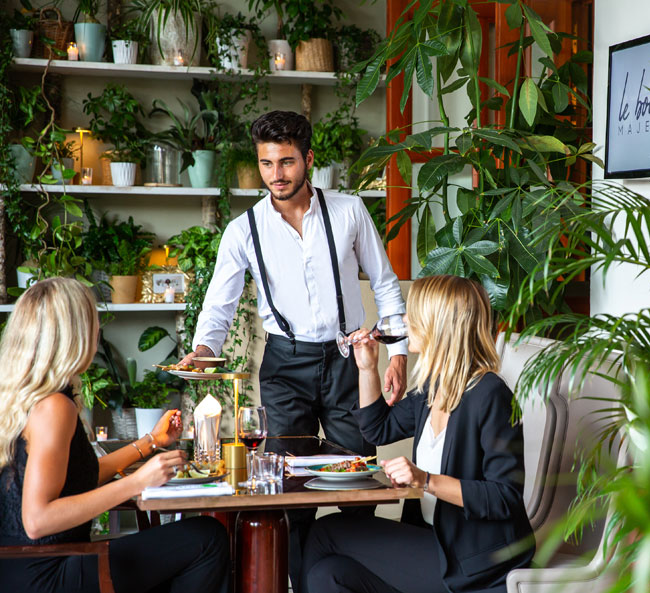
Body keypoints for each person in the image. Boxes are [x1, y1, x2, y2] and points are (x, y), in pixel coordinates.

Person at [178, 110, 409, 583]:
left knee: (357, 481)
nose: (275, 175)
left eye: (285, 162)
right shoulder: (244, 230)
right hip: (284, 366)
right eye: (266, 164)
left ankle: (347, 580)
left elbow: (385, 285)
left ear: (307, 159)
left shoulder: (349, 211)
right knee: (289, 491)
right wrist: (204, 348)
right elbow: (217, 306)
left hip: (349, 361)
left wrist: (398, 351)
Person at [302, 275, 535, 593]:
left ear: (438, 325)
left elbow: (504, 498)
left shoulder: (490, 394)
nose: (406, 321)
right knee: (328, 575)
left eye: (414, 314)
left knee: (324, 533)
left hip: (477, 561)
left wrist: (425, 480)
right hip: (432, 540)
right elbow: (377, 428)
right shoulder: (432, 388)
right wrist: (368, 368)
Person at [0, 277, 229, 593]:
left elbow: (80, 477)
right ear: (74, 334)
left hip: (22, 569)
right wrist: (137, 483)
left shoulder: (29, 397)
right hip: (48, 573)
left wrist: (150, 442)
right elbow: (37, 520)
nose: (97, 331)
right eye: (92, 321)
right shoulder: (54, 407)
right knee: (207, 539)